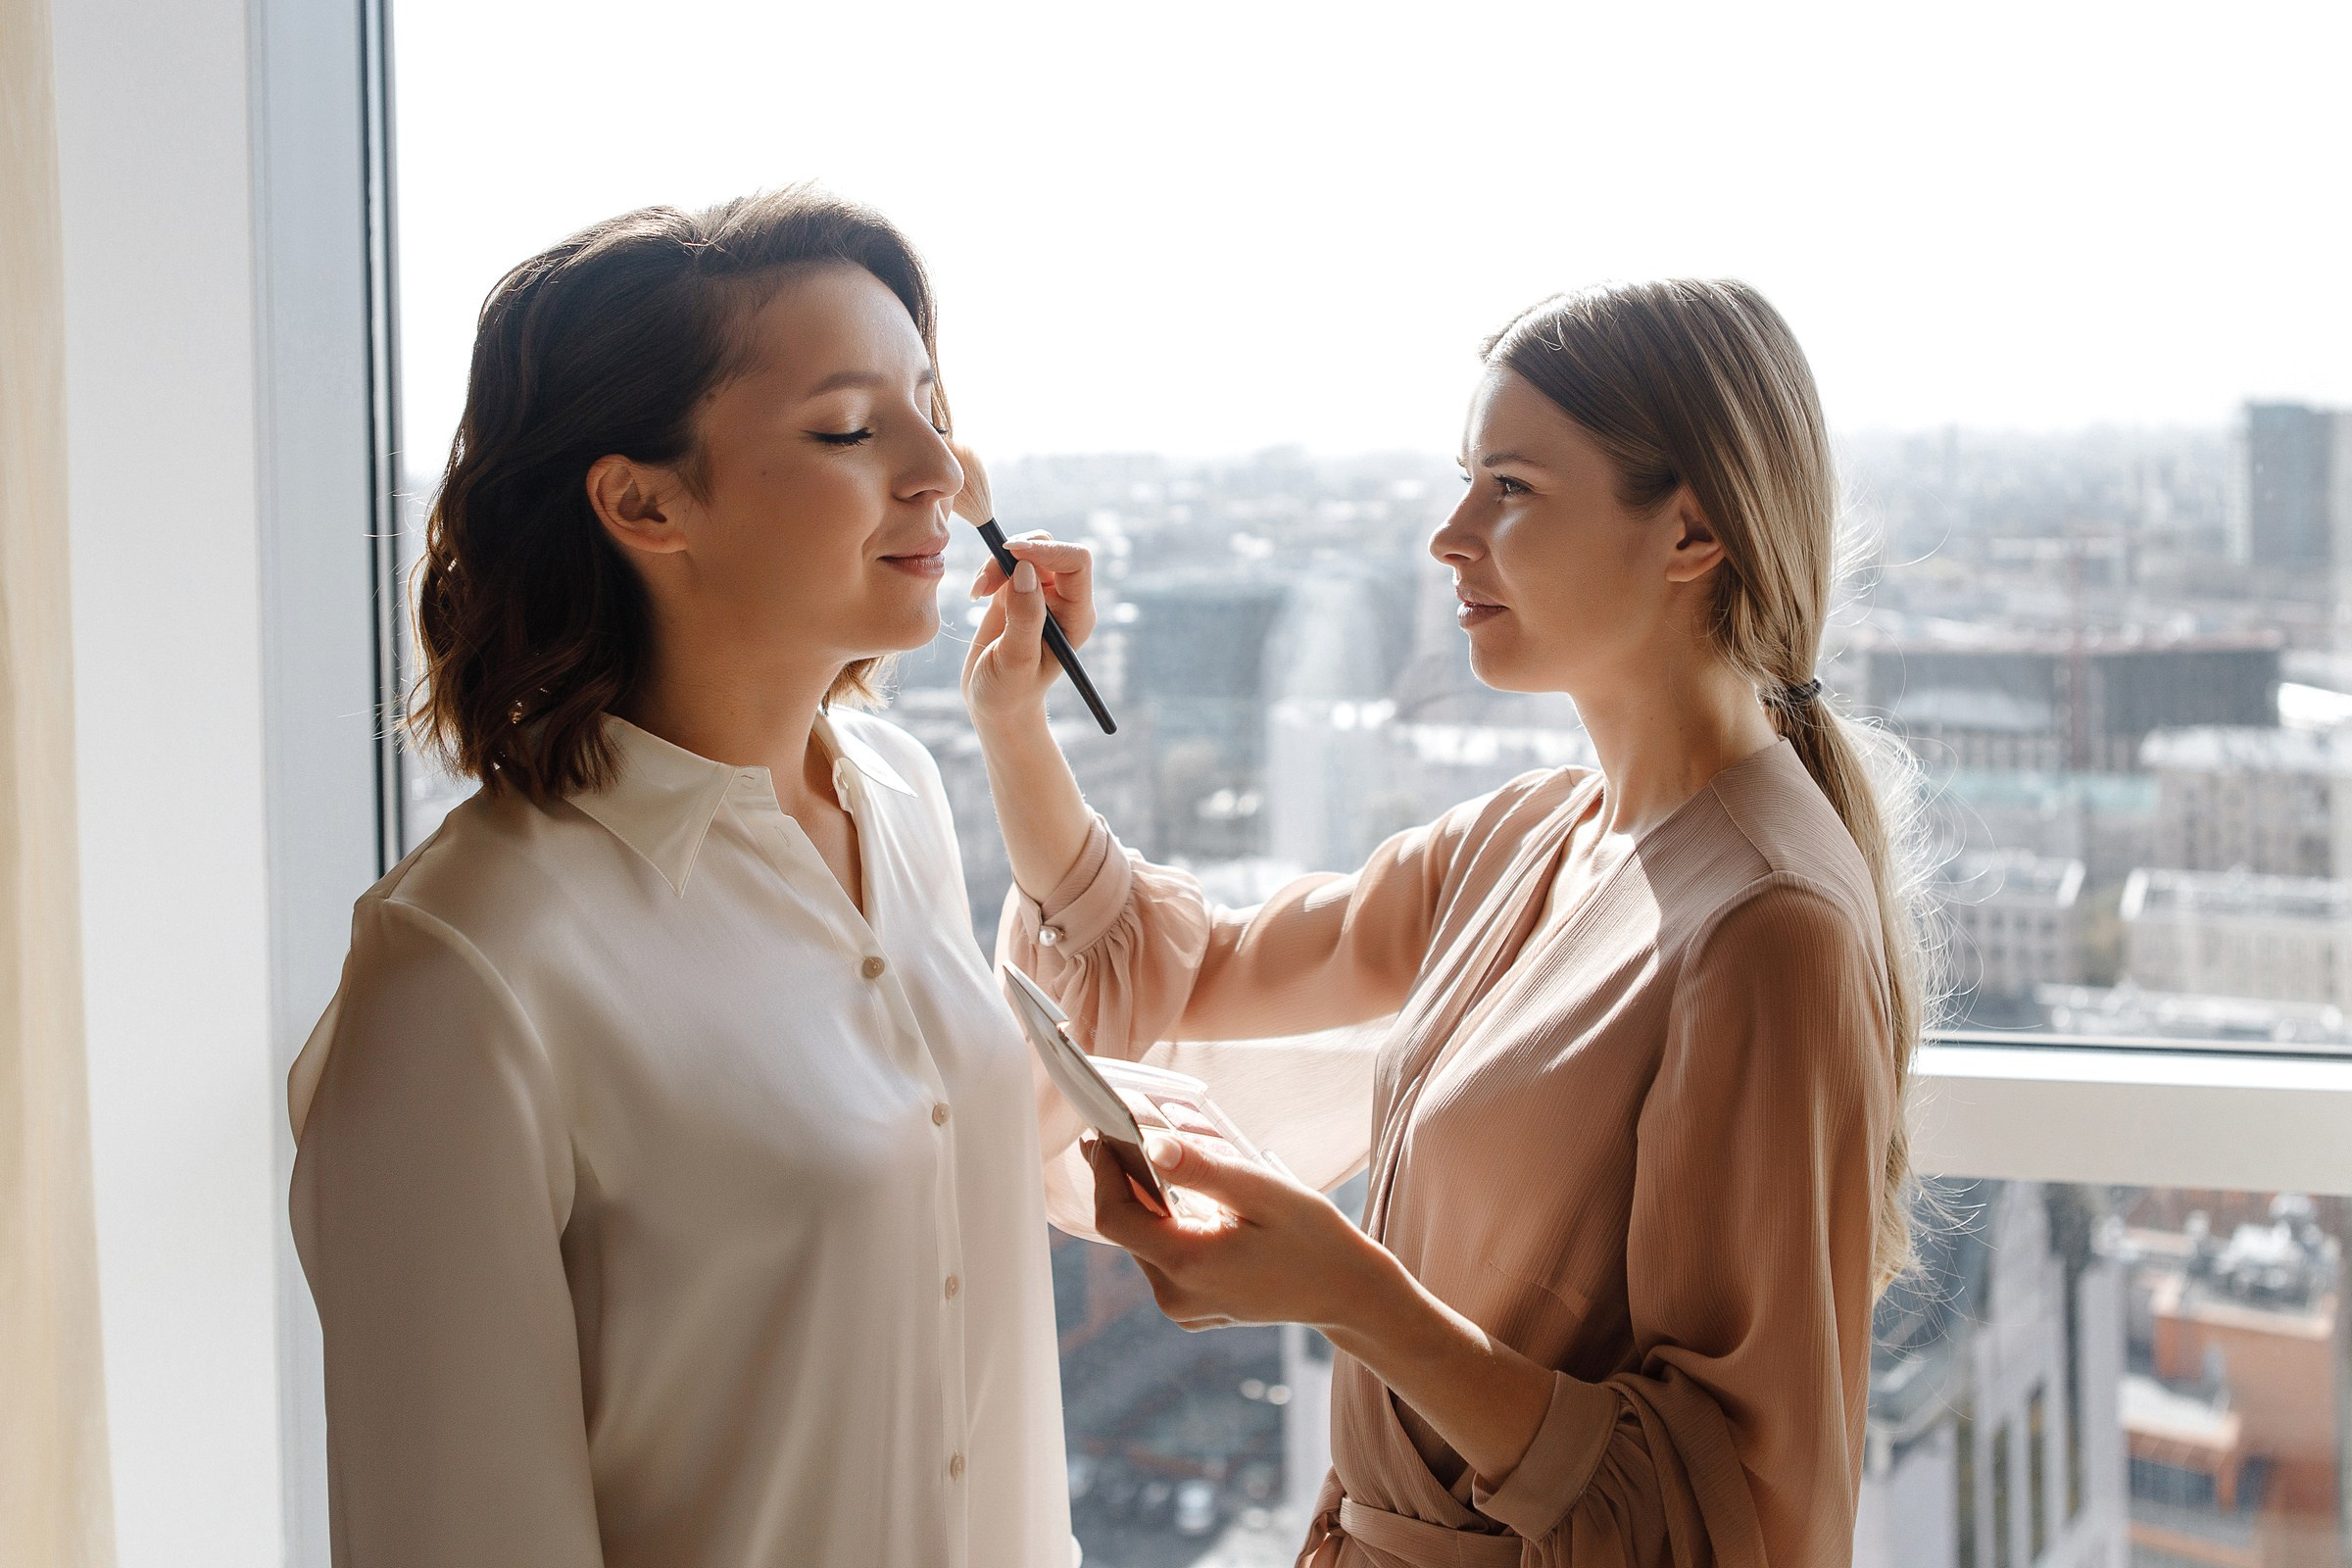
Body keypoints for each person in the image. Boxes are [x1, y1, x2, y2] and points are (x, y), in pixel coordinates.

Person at [961, 279, 1929, 1566]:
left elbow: (1737, 1514)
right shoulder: (1533, 836)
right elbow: (1197, 967)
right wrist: (1014, 725)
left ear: (1691, 532)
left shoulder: (1768, 927)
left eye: (1511, 490)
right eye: (1465, 481)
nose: (1447, 536)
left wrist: (1341, 1292)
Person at [286, 188, 1071, 1568]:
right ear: (643, 502)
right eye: (848, 428)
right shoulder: (472, 966)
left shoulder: (901, 801)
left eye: (930, 406)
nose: (942, 470)